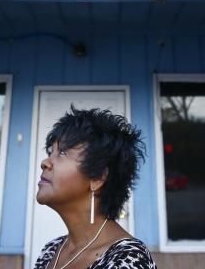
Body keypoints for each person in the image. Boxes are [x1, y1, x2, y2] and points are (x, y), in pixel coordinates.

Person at [34, 106, 156, 269]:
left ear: (98, 177)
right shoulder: (51, 250)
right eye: (51, 152)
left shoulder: (128, 260)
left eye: (62, 153)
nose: (45, 162)